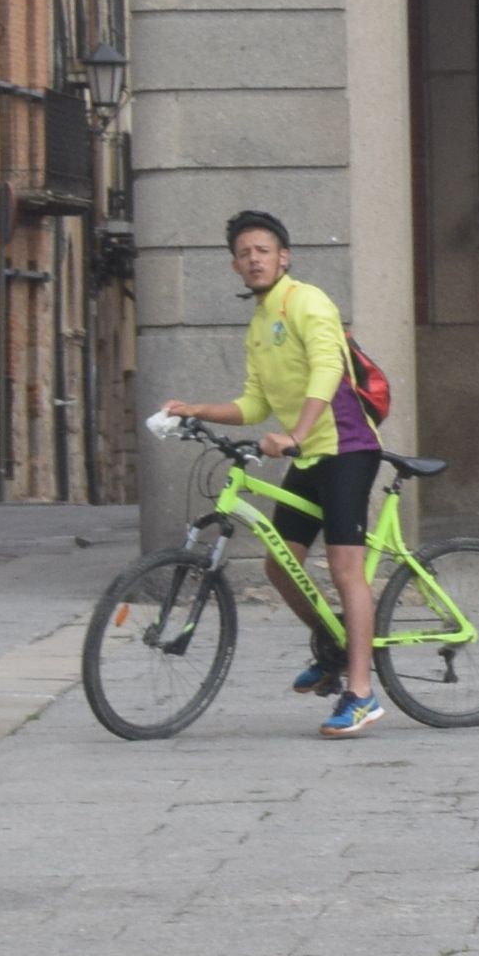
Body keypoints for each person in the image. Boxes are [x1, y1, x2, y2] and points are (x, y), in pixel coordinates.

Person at [154, 208, 389, 739]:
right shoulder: (260, 323)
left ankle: (361, 693)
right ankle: (333, 647)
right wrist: (194, 409)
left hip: (347, 449)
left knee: (346, 571)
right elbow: (254, 404)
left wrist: (298, 433)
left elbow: (329, 370)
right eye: (244, 253)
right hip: (306, 454)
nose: (253, 259)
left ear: (284, 256)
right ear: (236, 267)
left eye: (263, 250)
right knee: (280, 567)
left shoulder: (307, 301)